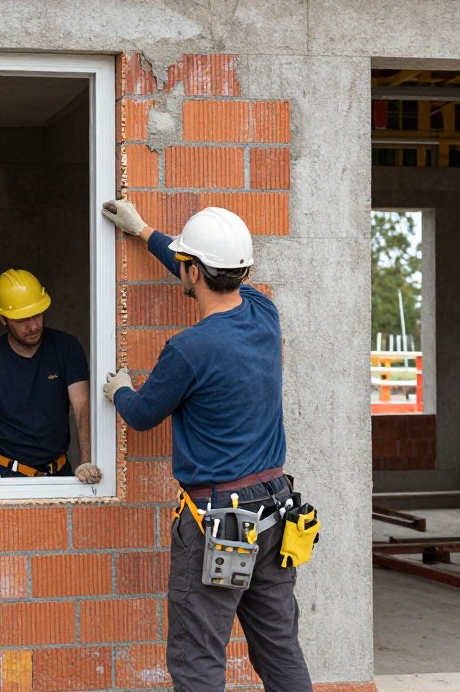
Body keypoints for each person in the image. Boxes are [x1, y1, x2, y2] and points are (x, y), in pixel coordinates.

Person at [100, 200, 312, 692]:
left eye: (186, 263)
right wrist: (145, 231)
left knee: (198, 659)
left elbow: (141, 414)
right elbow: (204, 262)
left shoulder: (189, 349)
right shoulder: (264, 313)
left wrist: (120, 390)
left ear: (192, 271)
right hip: (275, 512)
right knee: (280, 649)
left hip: (220, 521)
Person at [0, 268, 101, 484]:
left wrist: (86, 461)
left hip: (61, 473)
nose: (33, 326)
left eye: (37, 314)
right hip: (6, 475)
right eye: (22, 320)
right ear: (2, 319)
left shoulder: (67, 348)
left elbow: (83, 408)